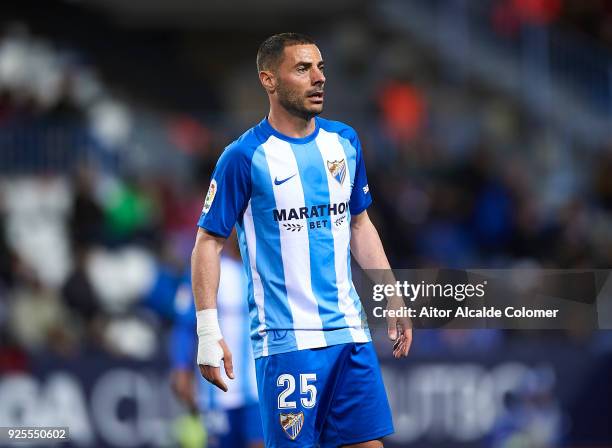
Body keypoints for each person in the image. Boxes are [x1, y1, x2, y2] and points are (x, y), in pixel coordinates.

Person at [191, 32, 412, 448]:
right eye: (303, 68)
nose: (318, 78)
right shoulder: (243, 156)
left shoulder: (343, 141)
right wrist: (207, 331)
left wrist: (391, 294)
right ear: (268, 80)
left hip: (349, 332)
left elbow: (360, 226)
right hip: (287, 341)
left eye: (321, 68)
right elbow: (207, 243)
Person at [171, 232, 263, 448]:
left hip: (258, 387)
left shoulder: (263, 268)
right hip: (217, 391)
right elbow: (184, 326)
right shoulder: (206, 269)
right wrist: (181, 368)